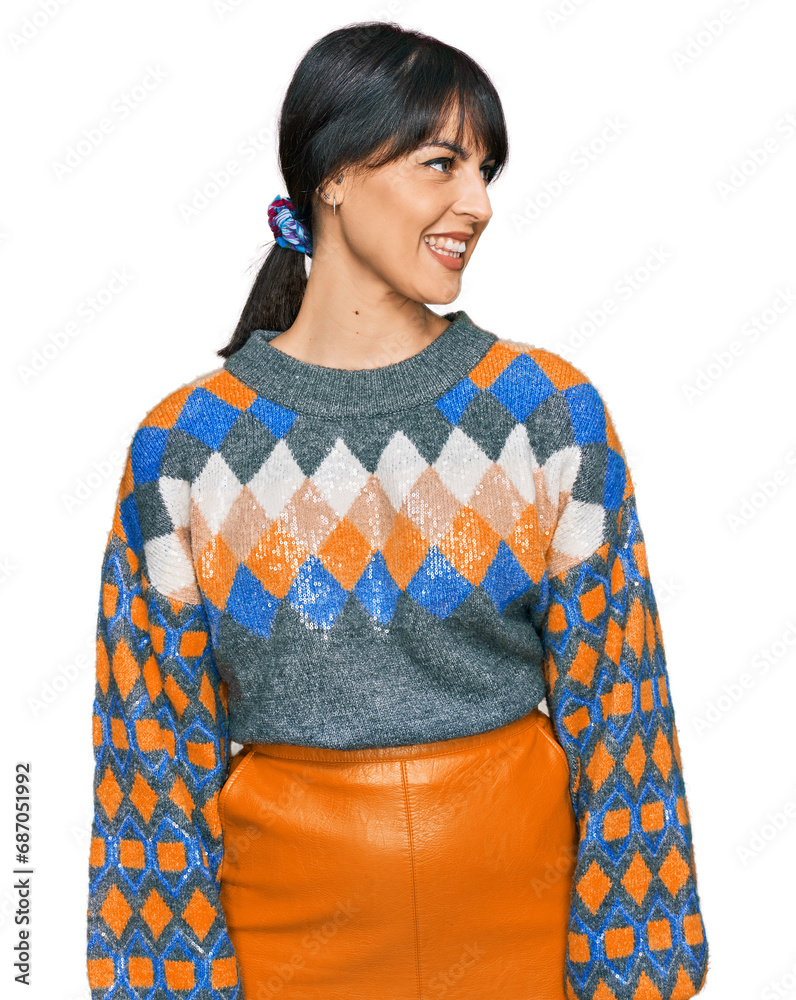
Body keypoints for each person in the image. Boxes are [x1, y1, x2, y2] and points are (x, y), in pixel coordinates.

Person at [85, 20, 709, 1000]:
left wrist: (641, 969)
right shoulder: (187, 447)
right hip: (282, 944)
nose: (478, 204)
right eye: (440, 163)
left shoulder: (547, 414)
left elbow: (622, 706)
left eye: (485, 171)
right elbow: (149, 749)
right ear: (331, 176)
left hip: (527, 929)